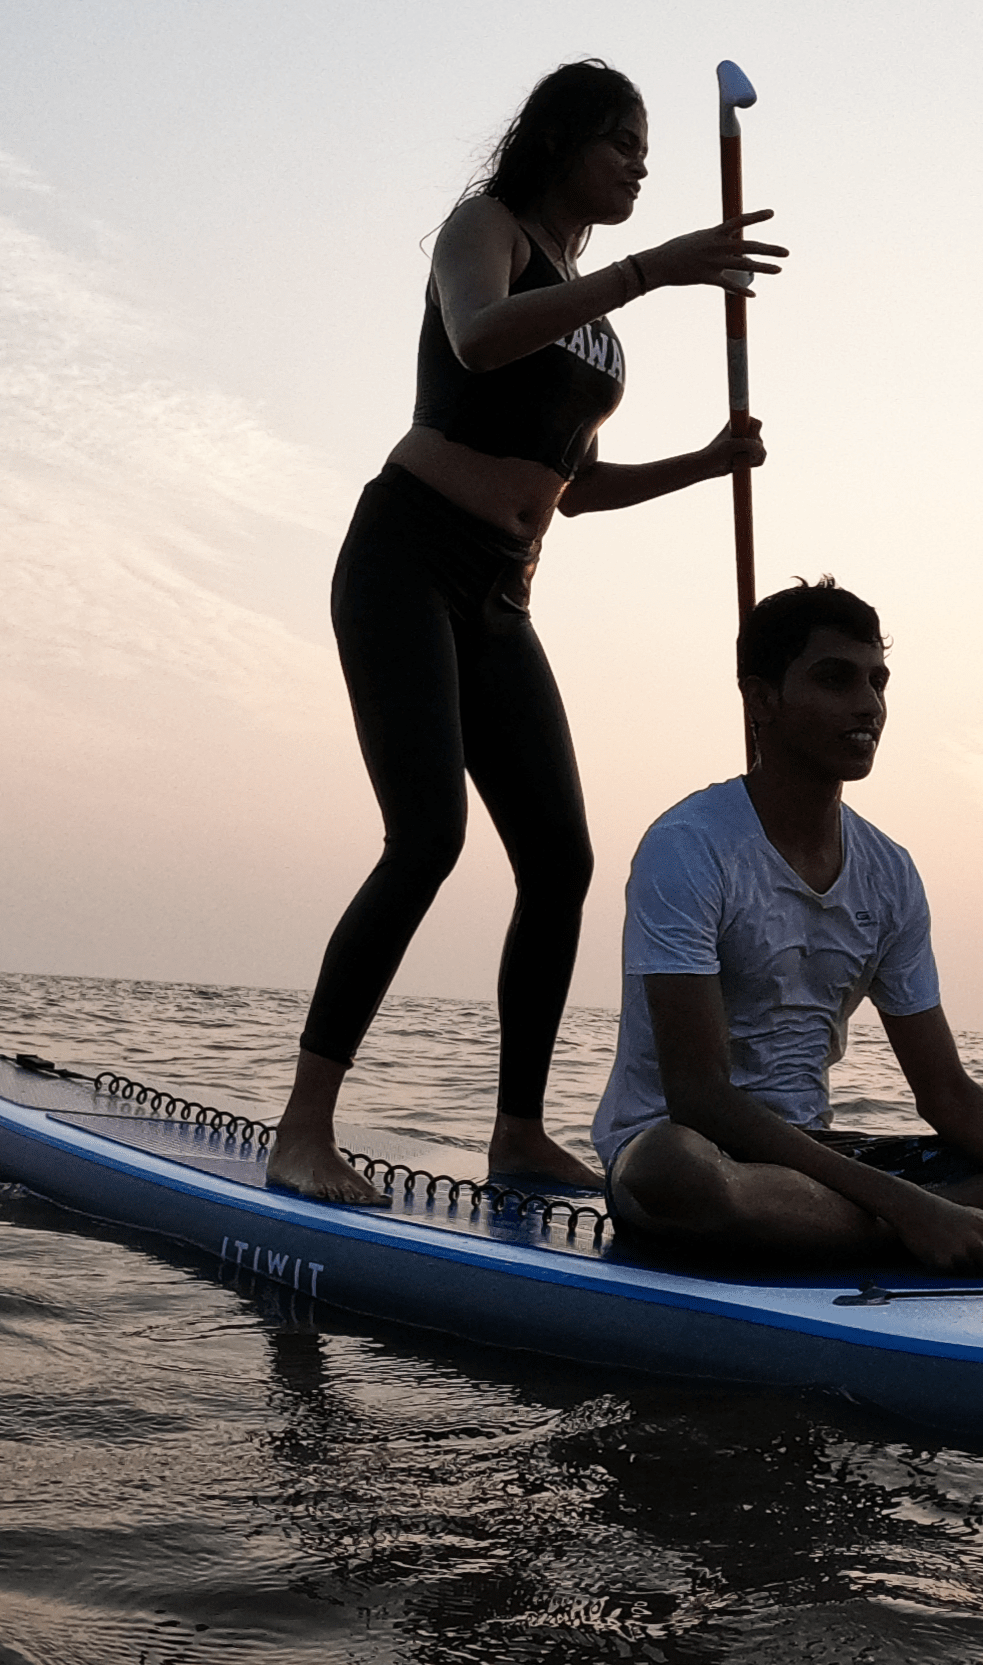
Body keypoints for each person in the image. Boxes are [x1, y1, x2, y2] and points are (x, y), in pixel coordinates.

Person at [268, 60, 787, 1204]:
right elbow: (479, 341)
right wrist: (653, 275)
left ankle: (517, 1132)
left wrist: (706, 463)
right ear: (558, 142)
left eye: (649, 149)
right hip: (406, 556)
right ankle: (304, 1129)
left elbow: (572, 486)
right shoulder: (484, 229)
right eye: (623, 142)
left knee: (560, 859)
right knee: (428, 838)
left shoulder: (594, 317)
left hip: (503, 594)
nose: (641, 165)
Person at [594, 581, 983, 1276]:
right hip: (695, 1150)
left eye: (877, 682)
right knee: (673, 1172)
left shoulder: (888, 872)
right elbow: (700, 1096)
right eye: (836, 680)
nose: (868, 706)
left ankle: (949, 1224)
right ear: (761, 701)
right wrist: (910, 1206)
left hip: (816, 1164)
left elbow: (945, 1094)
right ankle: (976, 1228)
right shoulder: (689, 845)